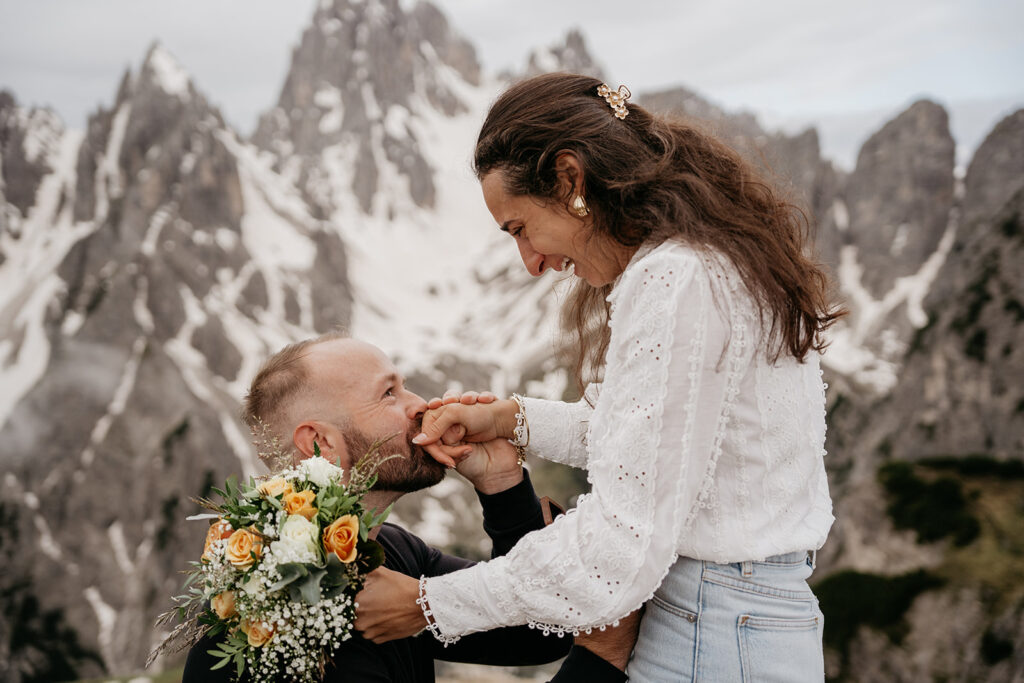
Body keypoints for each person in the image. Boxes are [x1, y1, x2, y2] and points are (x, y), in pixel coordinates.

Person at [352, 72, 845, 681]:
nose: (530, 263)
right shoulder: (710, 261)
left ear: (570, 179)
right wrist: (510, 420)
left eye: (520, 228)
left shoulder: (675, 280)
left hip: (710, 633)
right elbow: (661, 443)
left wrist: (426, 605)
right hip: (741, 625)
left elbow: (618, 546)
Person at [182, 334, 635, 682]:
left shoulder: (392, 552)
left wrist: (502, 485)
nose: (420, 404)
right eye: (389, 394)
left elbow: (532, 632)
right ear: (320, 444)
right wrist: (602, 661)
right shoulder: (274, 623)